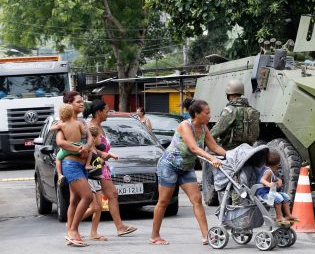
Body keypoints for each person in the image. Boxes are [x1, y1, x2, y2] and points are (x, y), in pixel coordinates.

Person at [150, 99, 226, 245]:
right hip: (169, 166)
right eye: (207, 113)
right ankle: (155, 235)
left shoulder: (204, 128)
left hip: (186, 168)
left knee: (197, 200)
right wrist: (212, 158)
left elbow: (215, 147)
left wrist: (230, 156)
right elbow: (194, 148)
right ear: (196, 114)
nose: (210, 115)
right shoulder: (185, 125)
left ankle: (206, 236)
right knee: (164, 201)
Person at [84, 99, 138, 238]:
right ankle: (73, 223)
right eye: (106, 111)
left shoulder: (100, 126)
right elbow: (91, 149)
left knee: (108, 197)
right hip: (96, 166)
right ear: (98, 112)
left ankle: (97, 231)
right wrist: (105, 156)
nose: (108, 114)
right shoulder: (91, 128)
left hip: (103, 165)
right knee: (104, 199)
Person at [210, 79, 260, 204]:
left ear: (229, 94)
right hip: (247, 150)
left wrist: (207, 139)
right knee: (244, 178)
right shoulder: (251, 110)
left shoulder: (230, 110)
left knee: (232, 178)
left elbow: (217, 130)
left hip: (230, 150)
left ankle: (234, 207)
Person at [56, 90, 93, 247]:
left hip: (81, 164)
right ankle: (72, 230)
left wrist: (86, 146)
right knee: (88, 197)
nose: (82, 103)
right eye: (78, 101)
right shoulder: (61, 124)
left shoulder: (83, 122)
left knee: (75, 200)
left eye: (82, 101)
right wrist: (78, 149)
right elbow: (60, 143)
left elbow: (91, 138)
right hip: (71, 165)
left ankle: (70, 234)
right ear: (69, 105)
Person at [81, 125, 118, 242]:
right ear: (93, 137)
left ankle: (94, 232)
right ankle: (72, 224)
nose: (100, 140)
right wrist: (102, 161)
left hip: (97, 179)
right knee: (94, 207)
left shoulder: (95, 149)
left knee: (100, 207)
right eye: (99, 138)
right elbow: (87, 166)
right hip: (90, 180)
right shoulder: (87, 150)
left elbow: (102, 157)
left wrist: (110, 155)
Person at [52, 104, 99, 183]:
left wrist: (57, 124)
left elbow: (51, 128)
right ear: (71, 113)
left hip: (68, 148)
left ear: (61, 115)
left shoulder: (62, 125)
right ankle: (88, 164)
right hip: (79, 145)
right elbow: (84, 133)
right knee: (90, 150)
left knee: (58, 158)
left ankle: (60, 175)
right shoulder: (78, 123)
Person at [256, 149, 299, 225]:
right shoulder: (268, 171)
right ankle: (279, 216)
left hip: (269, 192)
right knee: (278, 198)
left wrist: (278, 180)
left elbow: (274, 178)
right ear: (277, 164)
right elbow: (262, 180)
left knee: (285, 197)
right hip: (262, 194)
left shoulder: (271, 170)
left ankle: (288, 215)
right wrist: (269, 184)